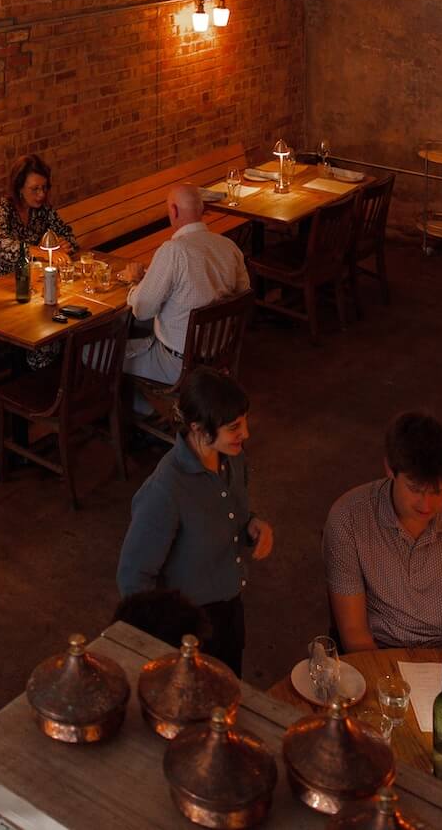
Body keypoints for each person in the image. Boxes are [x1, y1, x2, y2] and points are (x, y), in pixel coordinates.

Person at [116, 367, 273, 676]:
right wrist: (163, 641)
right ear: (198, 429)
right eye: (234, 427)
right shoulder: (166, 490)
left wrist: (252, 525)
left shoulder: (233, 457)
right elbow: (132, 577)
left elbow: (232, 513)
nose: (245, 433)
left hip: (230, 610)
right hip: (188, 628)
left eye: (244, 421)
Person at [322, 410, 442, 654]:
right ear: (390, 469)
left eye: (437, 492)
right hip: (376, 654)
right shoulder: (349, 518)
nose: (426, 505)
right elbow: (354, 634)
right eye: (415, 489)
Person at [123, 183, 250, 385]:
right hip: (218, 355)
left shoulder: (173, 252)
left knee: (93, 354)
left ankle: (146, 402)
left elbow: (141, 310)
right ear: (202, 209)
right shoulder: (229, 246)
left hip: (177, 366)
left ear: (173, 211)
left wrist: (134, 282)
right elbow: (244, 294)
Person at [0, 154, 78, 283]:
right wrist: (41, 252)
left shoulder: (44, 210)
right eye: (35, 189)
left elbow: (70, 238)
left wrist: (64, 245)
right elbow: (0, 246)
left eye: (44, 187)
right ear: (19, 188)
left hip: (32, 279)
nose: (41, 194)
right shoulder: (1, 209)